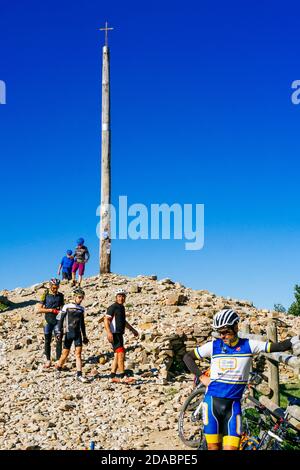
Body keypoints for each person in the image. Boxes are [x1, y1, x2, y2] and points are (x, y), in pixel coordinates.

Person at [183, 308, 300, 451]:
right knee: (213, 447)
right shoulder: (214, 346)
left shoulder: (248, 345)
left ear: (236, 327)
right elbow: (187, 357)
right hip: (211, 403)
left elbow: (277, 346)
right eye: (220, 332)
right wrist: (202, 377)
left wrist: (294, 340)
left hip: (233, 407)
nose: (223, 336)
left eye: (226, 331)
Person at [104, 288, 139, 383]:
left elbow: (123, 321)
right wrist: (109, 332)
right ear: (116, 297)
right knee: (121, 354)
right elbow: (106, 320)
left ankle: (112, 376)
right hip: (114, 334)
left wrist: (132, 329)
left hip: (119, 333)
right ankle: (123, 376)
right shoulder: (113, 307)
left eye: (123, 296)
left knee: (116, 355)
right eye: (119, 296)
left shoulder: (122, 307)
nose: (121, 298)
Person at [55, 287, 89, 383]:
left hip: (78, 334)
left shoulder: (82, 309)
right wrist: (58, 332)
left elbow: (82, 323)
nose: (81, 299)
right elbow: (60, 320)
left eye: (82, 297)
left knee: (78, 355)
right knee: (65, 354)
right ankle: (58, 368)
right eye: (79, 297)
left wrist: (85, 336)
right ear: (74, 297)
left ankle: (79, 374)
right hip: (69, 333)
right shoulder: (67, 306)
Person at [36, 278, 64, 368]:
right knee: (47, 341)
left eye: (57, 287)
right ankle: (48, 360)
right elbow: (39, 309)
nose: (55, 289)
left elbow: (63, 308)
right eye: (53, 288)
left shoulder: (61, 296)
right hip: (47, 320)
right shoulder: (46, 295)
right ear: (50, 286)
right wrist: (50, 310)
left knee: (59, 340)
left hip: (58, 321)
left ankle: (59, 360)